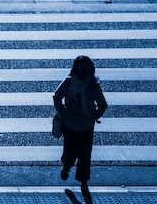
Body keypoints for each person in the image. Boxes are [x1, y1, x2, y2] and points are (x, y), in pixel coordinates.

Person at [53, 56, 107, 204]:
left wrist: (92, 117)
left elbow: (102, 104)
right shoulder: (70, 82)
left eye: (87, 69)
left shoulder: (92, 85)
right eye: (82, 69)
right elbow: (57, 96)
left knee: (84, 155)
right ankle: (67, 167)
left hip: (85, 126)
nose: (84, 72)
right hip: (71, 124)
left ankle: (83, 182)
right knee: (71, 151)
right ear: (76, 69)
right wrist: (62, 111)